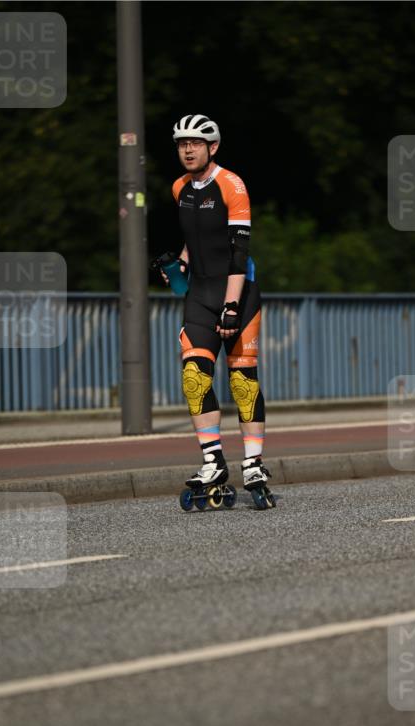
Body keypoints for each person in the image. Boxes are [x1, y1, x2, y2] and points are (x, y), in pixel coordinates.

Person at [166, 113, 271, 499]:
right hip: (199, 294)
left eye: (195, 142)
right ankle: (213, 461)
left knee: (242, 382)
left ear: (213, 147)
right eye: (181, 143)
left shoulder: (232, 185)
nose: (188, 149)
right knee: (194, 379)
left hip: (238, 293)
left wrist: (230, 307)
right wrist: (181, 262)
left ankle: (253, 463)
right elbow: (195, 240)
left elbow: (237, 253)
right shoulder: (179, 187)